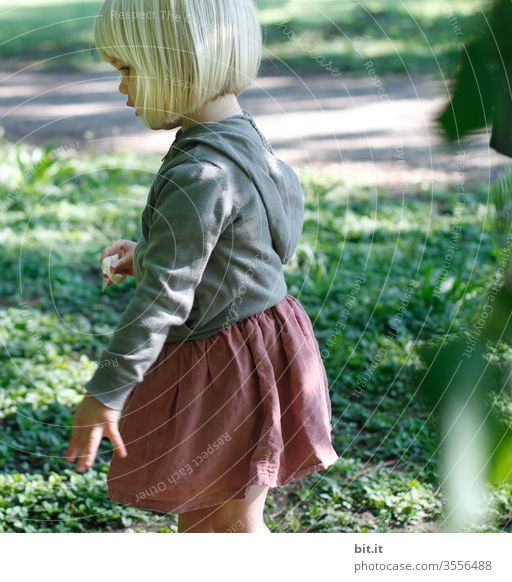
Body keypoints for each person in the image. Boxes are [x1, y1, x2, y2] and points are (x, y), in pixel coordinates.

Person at [66, 0, 339, 533]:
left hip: (224, 369)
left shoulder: (199, 170)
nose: (121, 88)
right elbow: (244, 246)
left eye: (127, 68)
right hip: (265, 340)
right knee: (212, 520)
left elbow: (164, 300)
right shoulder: (244, 139)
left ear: (177, 62)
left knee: (223, 529)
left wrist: (105, 391)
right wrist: (148, 255)